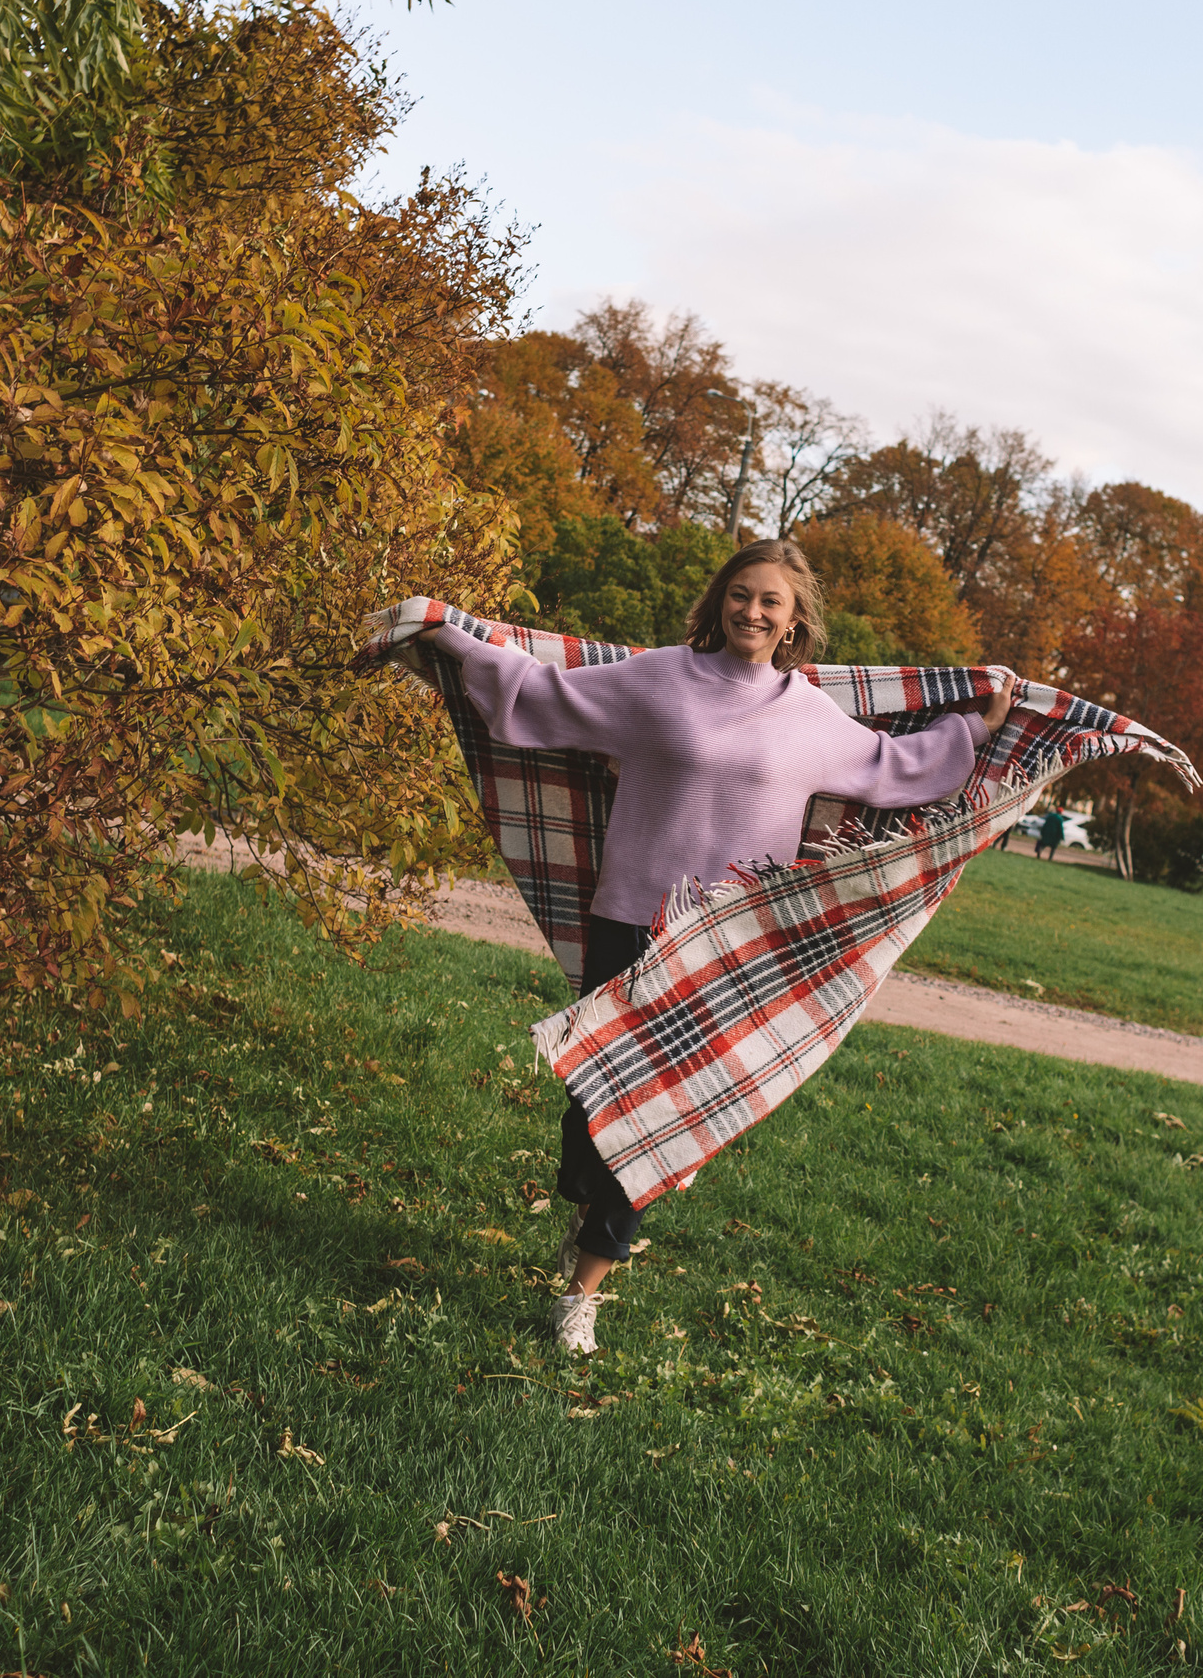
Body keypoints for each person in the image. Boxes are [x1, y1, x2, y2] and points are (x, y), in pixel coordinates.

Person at [418, 539, 1020, 1354]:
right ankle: (592, 1209)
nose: (753, 611)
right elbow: (546, 694)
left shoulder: (808, 715)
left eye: (771, 601)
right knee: (598, 1106)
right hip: (630, 917)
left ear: (795, 619)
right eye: (741, 594)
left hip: (726, 944)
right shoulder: (660, 677)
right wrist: (443, 635)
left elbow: (891, 766)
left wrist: (975, 730)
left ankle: (582, 1288)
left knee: (662, 1112)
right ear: (719, 601)